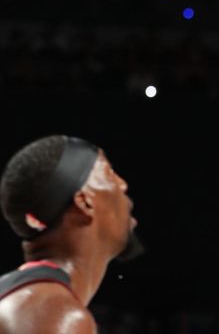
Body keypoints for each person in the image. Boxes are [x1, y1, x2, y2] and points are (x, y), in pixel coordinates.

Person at [0, 134, 142, 333]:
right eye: (109, 172)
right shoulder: (53, 313)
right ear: (84, 203)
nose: (123, 184)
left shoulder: (31, 299)